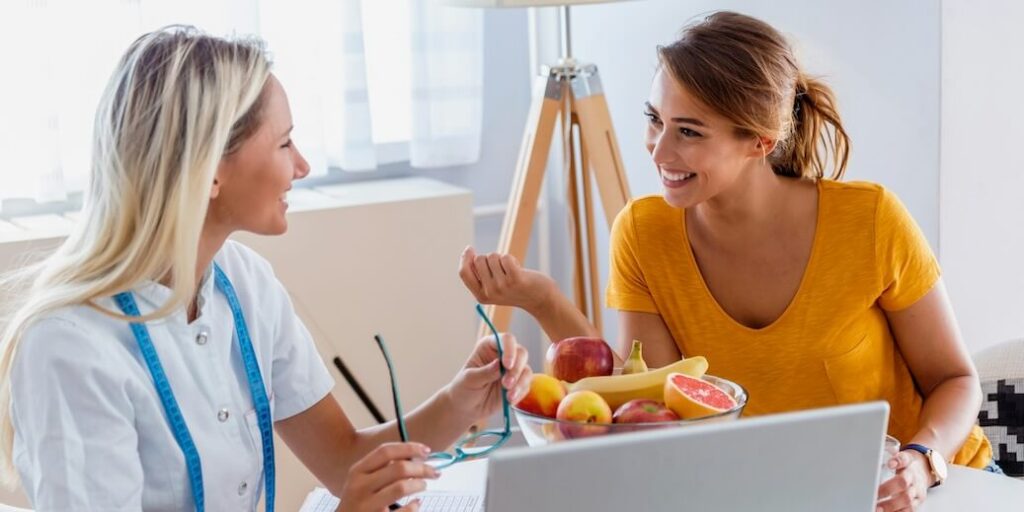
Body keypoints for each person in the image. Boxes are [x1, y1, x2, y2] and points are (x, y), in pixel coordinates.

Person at [459, 11, 993, 512]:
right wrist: (543, 300)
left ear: (759, 141)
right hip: (781, 494)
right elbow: (649, 405)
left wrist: (923, 462)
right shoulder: (643, 233)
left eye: (689, 131)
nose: (658, 150)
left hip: (932, 488)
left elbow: (955, 378)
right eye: (654, 119)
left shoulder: (870, 221)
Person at [0, 26, 531, 512]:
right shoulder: (69, 349)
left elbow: (344, 459)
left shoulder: (244, 281)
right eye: (284, 142)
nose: (302, 165)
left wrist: (459, 402)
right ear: (210, 170)